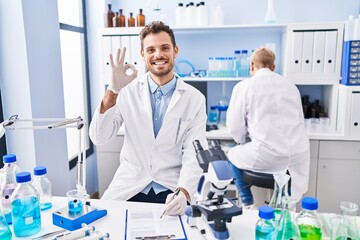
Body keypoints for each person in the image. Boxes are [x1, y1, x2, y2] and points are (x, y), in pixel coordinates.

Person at [89, 21, 207, 216]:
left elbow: (193, 153)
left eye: (164, 48)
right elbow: (99, 137)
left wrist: (184, 191)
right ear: (142, 55)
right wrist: (113, 90)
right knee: (106, 225)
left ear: (175, 51)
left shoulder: (194, 99)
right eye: (151, 49)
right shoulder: (126, 92)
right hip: (129, 186)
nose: (158, 55)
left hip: (171, 190)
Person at [226, 47, 310, 209]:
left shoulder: (244, 86)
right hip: (298, 155)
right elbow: (300, 119)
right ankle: (285, 206)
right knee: (287, 193)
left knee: (232, 155)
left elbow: (234, 127)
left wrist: (242, 141)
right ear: (273, 67)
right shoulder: (291, 86)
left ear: (252, 66)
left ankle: (248, 203)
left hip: (268, 156)